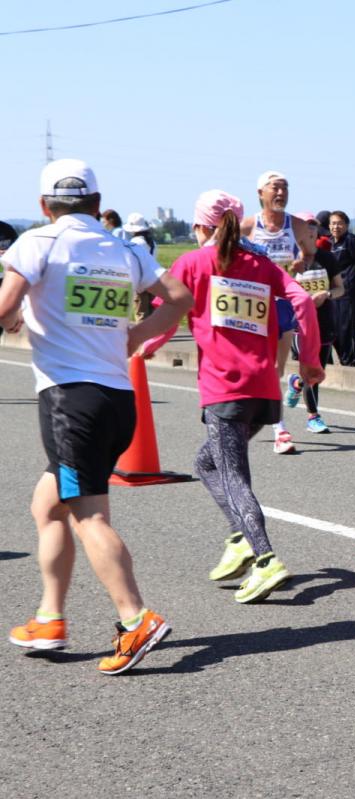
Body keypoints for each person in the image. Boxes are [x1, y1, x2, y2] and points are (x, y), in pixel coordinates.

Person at [0, 159, 192, 674]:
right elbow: (179, 298)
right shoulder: (125, 248)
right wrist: (134, 335)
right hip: (117, 399)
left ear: (44, 206)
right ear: (95, 202)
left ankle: (135, 619)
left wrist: (15, 316)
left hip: (69, 402)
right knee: (48, 506)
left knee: (88, 514)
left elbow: (4, 308)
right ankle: (50, 617)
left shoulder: (37, 243)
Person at [144, 190, 324, 603]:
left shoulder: (194, 262)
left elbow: (167, 310)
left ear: (202, 227)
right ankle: (242, 538)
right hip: (264, 388)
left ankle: (264, 558)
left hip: (226, 388)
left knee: (232, 476)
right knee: (207, 462)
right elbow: (302, 301)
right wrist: (309, 360)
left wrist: (149, 343)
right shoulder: (260, 263)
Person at [241, 170, 315, 454]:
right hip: (254, 303)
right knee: (257, 365)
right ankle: (277, 427)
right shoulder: (248, 225)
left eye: (285, 188)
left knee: (277, 368)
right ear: (261, 193)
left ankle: (277, 426)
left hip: (284, 303)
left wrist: (301, 264)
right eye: (275, 188)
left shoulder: (296, 225)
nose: (281, 193)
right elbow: (224, 254)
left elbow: (309, 254)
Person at [284, 213, 345, 432]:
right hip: (299, 324)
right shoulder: (289, 261)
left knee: (316, 371)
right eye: (305, 226)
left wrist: (327, 294)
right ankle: (313, 416)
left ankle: (297, 384)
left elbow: (341, 288)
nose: (310, 230)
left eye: (313, 226)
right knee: (309, 368)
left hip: (325, 321)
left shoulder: (327, 258)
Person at [328, 210, 355, 367]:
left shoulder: (352, 241)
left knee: (348, 327)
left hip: (350, 291)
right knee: (335, 328)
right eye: (333, 223)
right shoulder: (329, 243)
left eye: (340, 223)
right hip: (333, 292)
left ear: (346, 225)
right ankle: (343, 358)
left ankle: (353, 361)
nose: (336, 226)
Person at [123, 212, 159, 321]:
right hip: (153, 280)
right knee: (152, 314)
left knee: (141, 313)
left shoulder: (135, 242)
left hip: (141, 282)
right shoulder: (152, 242)